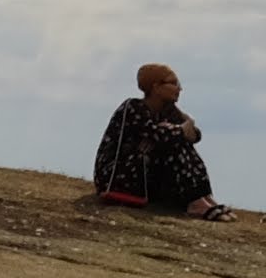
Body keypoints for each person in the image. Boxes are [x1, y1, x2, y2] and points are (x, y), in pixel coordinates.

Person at [90, 64, 226, 218]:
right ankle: (196, 203)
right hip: (116, 177)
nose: (179, 89)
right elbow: (158, 135)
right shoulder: (133, 107)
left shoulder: (167, 110)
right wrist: (180, 130)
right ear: (156, 87)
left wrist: (183, 124)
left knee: (175, 138)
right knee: (172, 141)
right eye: (174, 83)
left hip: (144, 175)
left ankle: (203, 196)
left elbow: (195, 135)